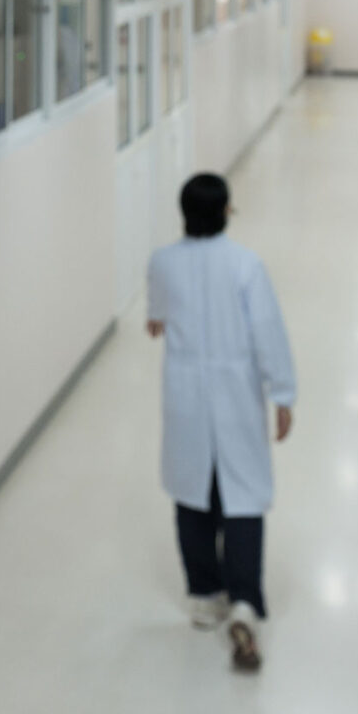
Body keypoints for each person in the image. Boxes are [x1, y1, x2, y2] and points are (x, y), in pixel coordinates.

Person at [146, 171, 297, 673]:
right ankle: (245, 603)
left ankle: (205, 596)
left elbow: (157, 316)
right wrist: (283, 393)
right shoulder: (245, 266)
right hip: (234, 394)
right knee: (243, 495)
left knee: (193, 494)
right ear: (227, 211)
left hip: (187, 397)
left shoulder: (163, 262)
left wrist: (161, 319)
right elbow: (267, 332)